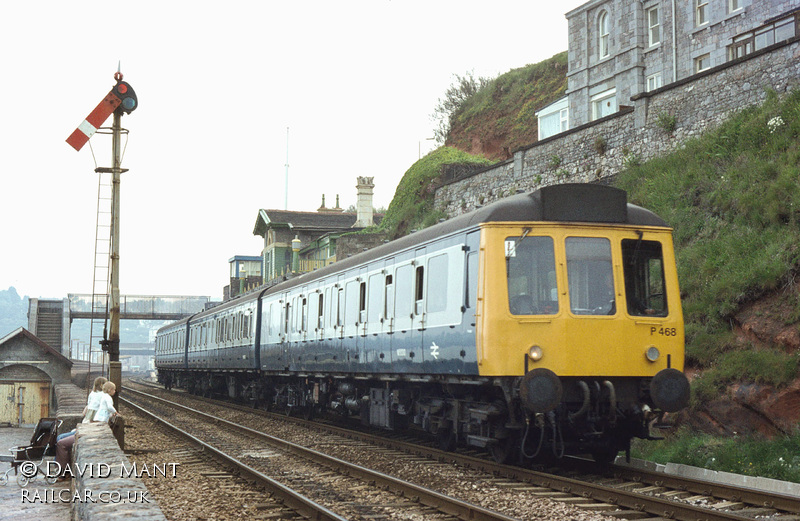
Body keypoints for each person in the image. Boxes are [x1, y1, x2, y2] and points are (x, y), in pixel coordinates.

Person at [57, 377, 107, 442]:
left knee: (60, 438)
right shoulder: (99, 396)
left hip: (86, 428)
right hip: (85, 426)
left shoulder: (93, 394)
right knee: (60, 437)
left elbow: (85, 414)